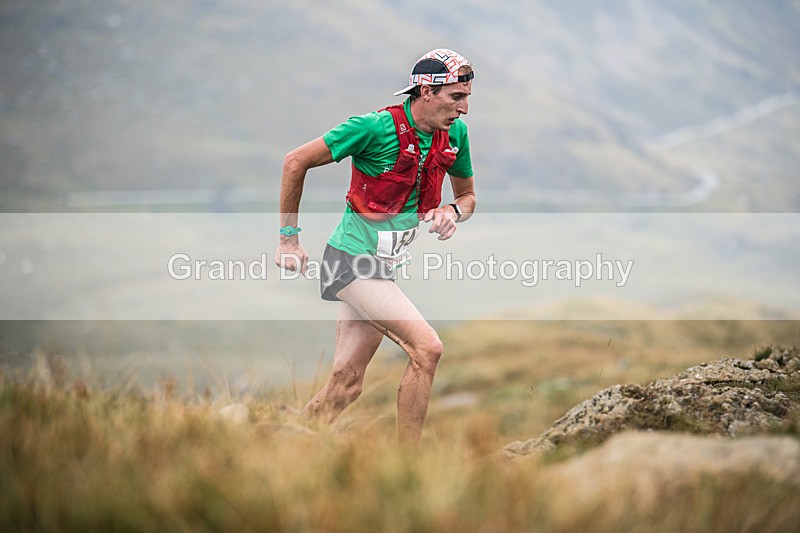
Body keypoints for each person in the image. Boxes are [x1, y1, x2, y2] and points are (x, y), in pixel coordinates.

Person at [275, 48, 476, 445]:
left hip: (383, 268)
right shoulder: (372, 127)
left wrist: (453, 210)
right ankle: (408, 465)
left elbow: (469, 197)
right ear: (425, 91)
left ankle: (281, 443)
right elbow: (295, 161)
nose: (465, 109)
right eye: (457, 96)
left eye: (467, 97)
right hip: (350, 261)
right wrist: (288, 240)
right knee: (427, 349)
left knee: (346, 385)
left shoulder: (456, 134)